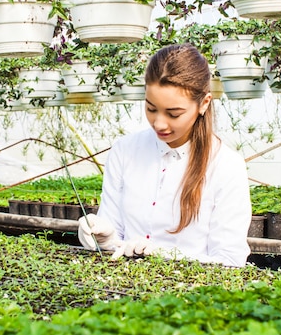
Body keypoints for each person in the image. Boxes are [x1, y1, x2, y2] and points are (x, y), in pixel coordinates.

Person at [78, 43, 252, 267]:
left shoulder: (225, 165)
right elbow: (115, 236)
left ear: (204, 103)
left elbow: (230, 260)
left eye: (174, 114)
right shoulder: (125, 151)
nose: (159, 123)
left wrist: (164, 254)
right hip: (122, 292)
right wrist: (105, 237)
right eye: (151, 109)